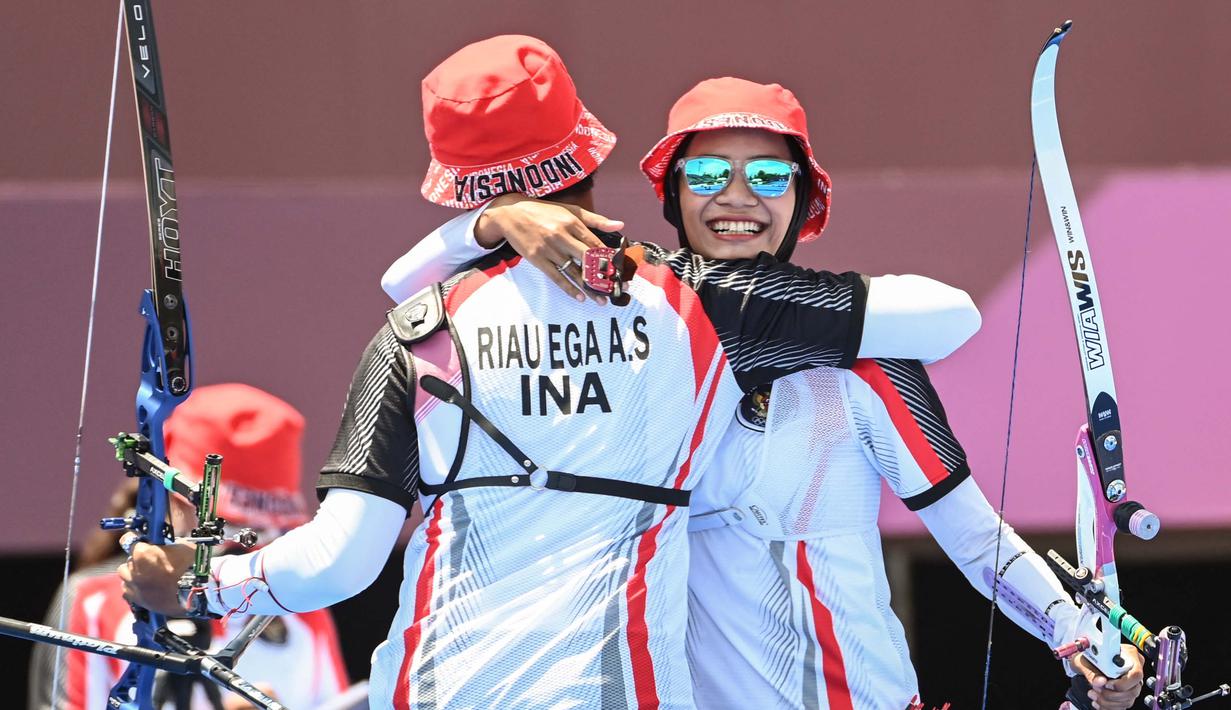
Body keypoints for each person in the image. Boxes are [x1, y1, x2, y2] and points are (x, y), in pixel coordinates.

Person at [120, 36, 979, 709]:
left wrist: (198, 582)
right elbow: (948, 315)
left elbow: (341, 565)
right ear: (590, 152)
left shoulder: (417, 327)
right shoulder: (696, 298)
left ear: (457, 189)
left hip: (432, 689)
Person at [380, 74, 1146, 709]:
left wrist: (1075, 636)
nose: (736, 197)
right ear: (672, 195)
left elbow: (975, 541)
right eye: (708, 175)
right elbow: (403, 292)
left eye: (768, 175)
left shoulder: (865, 359)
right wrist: (497, 222)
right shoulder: (629, 346)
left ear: (803, 198)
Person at [30, 383, 349, 710]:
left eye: (263, 528)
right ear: (167, 494)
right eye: (223, 524)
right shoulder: (92, 601)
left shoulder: (298, 606)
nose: (239, 546)